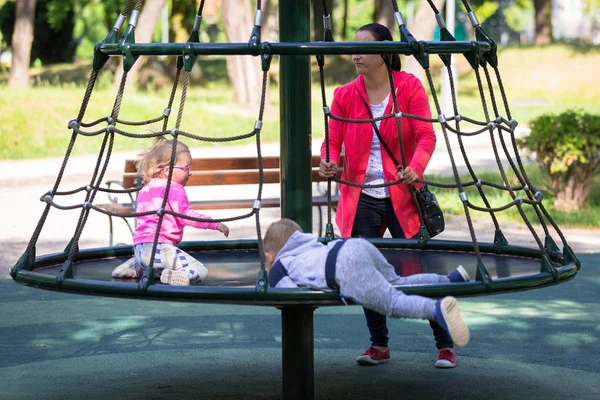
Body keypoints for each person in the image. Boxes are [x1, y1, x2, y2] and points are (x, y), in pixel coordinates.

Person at [318, 23, 454, 367]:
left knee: (415, 270)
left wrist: (416, 167)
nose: (356, 54)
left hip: (402, 194)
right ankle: (379, 344)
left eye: (364, 48)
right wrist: (329, 161)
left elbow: (426, 135)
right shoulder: (345, 94)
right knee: (367, 273)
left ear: (385, 53)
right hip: (361, 196)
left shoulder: (408, 88)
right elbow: (332, 139)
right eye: (354, 47)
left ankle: (444, 344)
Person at [263, 219, 470, 350]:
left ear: (269, 255)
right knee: (396, 283)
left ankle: (435, 309)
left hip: (344, 267)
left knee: (391, 302)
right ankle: (449, 280)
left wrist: (271, 280)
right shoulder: (309, 244)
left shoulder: (279, 265)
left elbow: (288, 296)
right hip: (355, 245)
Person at [111, 138, 229, 286]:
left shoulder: (145, 189)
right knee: (200, 271)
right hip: (160, 249)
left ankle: (136, 267)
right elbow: (186, 215)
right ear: (168, 171)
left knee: (154, 263)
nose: (190, 173)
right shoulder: (173, 188)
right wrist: (213, 224)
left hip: (140, 249)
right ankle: (178, 275)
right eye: (186, 168)